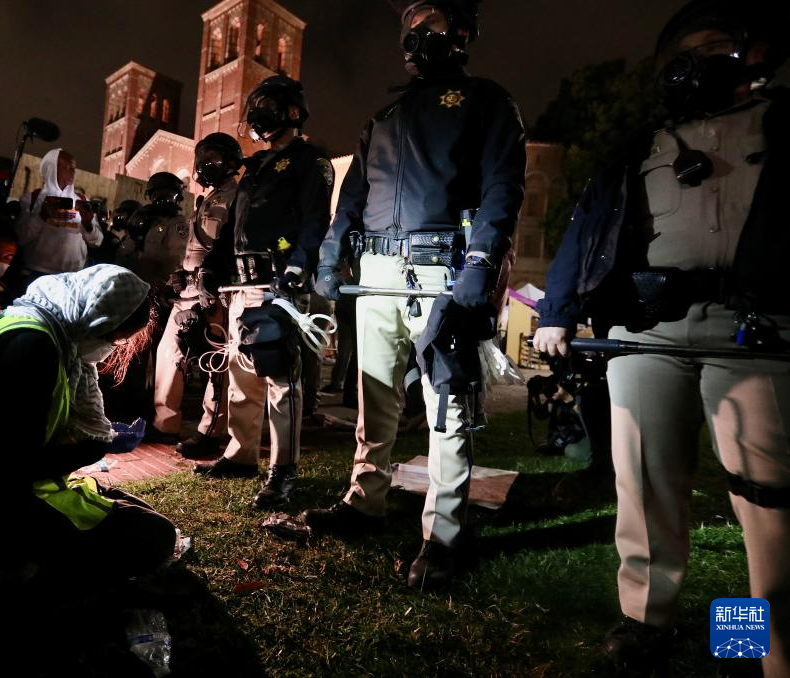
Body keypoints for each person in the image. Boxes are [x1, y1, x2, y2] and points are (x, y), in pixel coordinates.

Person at [533, 0, 790, 670]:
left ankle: (767, 641)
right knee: (645, 478)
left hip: (755, 330)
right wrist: (557, 309)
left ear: (752, 55)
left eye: (715, 47)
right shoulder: (638, 145)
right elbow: (587, 224)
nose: (697, 62)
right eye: (685, 52)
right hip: (646, 329)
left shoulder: (782, 122)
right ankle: (646, 618)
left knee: (764, 495)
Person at [302, 0, 526, 590]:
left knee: (446, 403)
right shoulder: (384, 115)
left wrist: (482, 263)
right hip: (376, 272)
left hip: (442, 271)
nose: (419, 34)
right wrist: (330, 253)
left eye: (434, 23)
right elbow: (353, 194)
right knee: (373, 397)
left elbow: (504, 186)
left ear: (462, 34)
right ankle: (363, 500)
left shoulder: (485, 100)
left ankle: (444, 534)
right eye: (413, 24)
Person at [0, 265, 176, 592]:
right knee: (157, 536)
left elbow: (18, 431)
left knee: (137, 511)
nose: (109, 348)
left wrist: (91, 438)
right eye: (112, 338)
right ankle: (15, 568)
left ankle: (20, 560)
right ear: (96, 318)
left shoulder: (23, 324)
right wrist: (93, 447)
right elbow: (12, 466)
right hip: (1, 512)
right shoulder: (35, 346)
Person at [193, 75, 334, 509]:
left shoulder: (310, 160)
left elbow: (315, 220)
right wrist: (211, 268)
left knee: (280, 379)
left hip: (277, 285)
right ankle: (241, 455)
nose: (258, 114)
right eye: (255, 106)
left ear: (292, 110)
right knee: (241, 376)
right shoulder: (254, 167)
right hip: (239, 284)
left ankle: (283, 470)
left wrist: (297, 269)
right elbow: (232, 228)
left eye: (267, 105)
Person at [150, 133, 242, 455]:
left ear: (231, 162)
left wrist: (213, 282)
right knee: (168, 355)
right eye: (201, 159)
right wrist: (180, 273)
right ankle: (165, 425)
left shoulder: (237, 197)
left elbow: (229, 246)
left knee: (216, 361)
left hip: (215, 292)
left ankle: (212, 430)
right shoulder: (207, 198)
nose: (204, 165)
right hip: (188, 289)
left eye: (212, 158)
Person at [15, 148, 103, 279]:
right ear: (51, 168)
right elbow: (20, 237)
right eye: (68, 167)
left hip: (73, 277)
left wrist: (88, 226)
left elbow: (97, 242)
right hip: (37, 274)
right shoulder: (32, 198)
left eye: (74, 168)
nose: (73, 172)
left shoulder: (83, 201)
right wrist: (41, 217)